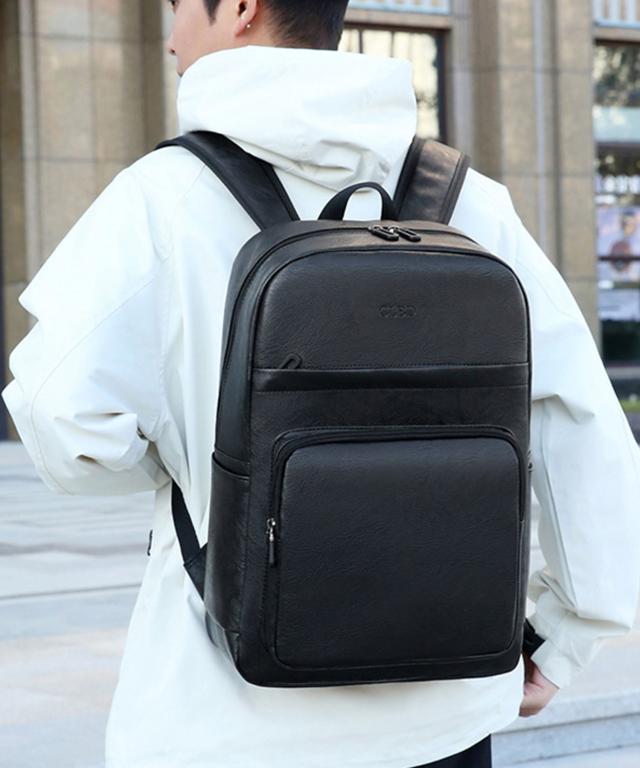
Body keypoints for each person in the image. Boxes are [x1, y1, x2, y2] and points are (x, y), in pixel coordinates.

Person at [2, 1, 640, 766]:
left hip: (228, 723)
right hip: (444, 713)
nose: (171, 38)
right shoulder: (471, 201)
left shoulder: (162, 197)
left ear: (241, 7)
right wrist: (567, 637)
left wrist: (199, 464)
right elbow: (579, 423)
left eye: (178, 8)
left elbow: (62, 422)